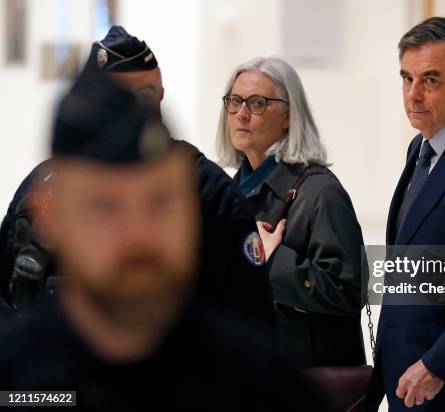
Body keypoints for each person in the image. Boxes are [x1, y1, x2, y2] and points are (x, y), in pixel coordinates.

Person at [0, 64, 330, 412]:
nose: (139, 234)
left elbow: (353, 282)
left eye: (161, 203)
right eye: (106, 208)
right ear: (50, 218)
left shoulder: (263, 387)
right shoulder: (15, 382)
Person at [0, 26, 275, 334]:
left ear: (160, 96)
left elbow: (251, 320)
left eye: (160, 205)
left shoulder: (210, 190)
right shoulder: (47, 185)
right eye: (103, 208)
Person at [365, 17, 445, 411]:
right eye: (406, 78)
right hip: (405, 376)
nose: (413, 95)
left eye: (430, 80)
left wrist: (437, 364)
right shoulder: (421, 149)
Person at [215, 56, 365, 367]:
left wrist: (274, 259)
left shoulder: (320, 192)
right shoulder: (229, 192)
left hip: (306, 387)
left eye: (257, 103)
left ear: (288, 116)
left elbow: (350, 292)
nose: (241, 113)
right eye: (234, 101)